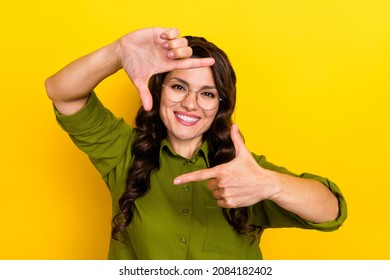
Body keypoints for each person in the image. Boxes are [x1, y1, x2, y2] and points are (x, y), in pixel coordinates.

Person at [45, 27, 347, 260]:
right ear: (160, 90)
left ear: (220, 105)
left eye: (207, 93)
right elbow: (62, 92)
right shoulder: (122, 151)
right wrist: (118, 52)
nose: (190, 104)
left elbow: (332, 211)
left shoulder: (247, 175)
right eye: (179, 87)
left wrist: (271, 186)